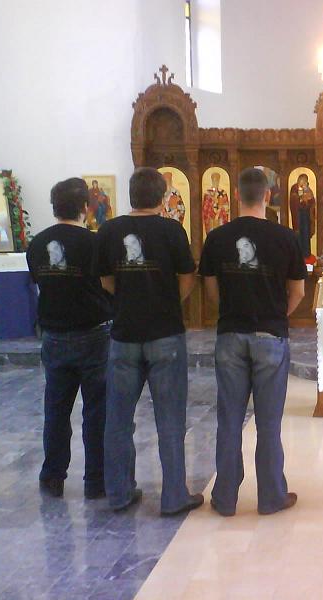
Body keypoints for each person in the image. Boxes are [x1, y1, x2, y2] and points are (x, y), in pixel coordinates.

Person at [95, 167, 203, 516]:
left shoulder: (109, 230)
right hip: (165, 334)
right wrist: (168, 302)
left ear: (131, 194)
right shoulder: (171, 230)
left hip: (124, 334)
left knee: (118, 419)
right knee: (170, 418)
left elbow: (106, 279)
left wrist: (128, 301)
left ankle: (119, 493)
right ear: (162, 197)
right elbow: (188, 276)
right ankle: (174, 497)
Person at [199, 167, 306, 517]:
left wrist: (234, 312)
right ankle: (271, 496)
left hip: (230, 334)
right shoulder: (286, 237)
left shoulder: (217, 238)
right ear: (268, 196)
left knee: (229, 419)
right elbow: (298, 291)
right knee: (269, 423)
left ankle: (225, 498)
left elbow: (211, 290)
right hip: (270, 336)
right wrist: (275, 314)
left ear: (235, 195)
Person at [26, 177, 113, 499]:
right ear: (86, 207)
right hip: (94, 334)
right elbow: (108, 285)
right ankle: (96, 481)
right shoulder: (95, 243)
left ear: (54, 207)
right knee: (97, 412)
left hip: (54, 335)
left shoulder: (37, 243)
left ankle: (53, 477)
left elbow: (39, 281)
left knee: (56, 410)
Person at [289, 173, 316, 257]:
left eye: (305, 181)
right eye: (302, 180)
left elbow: (312, 201)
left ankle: (306, 254)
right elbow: (293, 199)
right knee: (298, 234)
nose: (304, 182)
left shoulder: (307, 189)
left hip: (306, 214)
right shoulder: (294, 188)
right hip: (298, 215)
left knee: (306, 233)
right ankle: (298, 254)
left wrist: (308, 200)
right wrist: (300, 198)